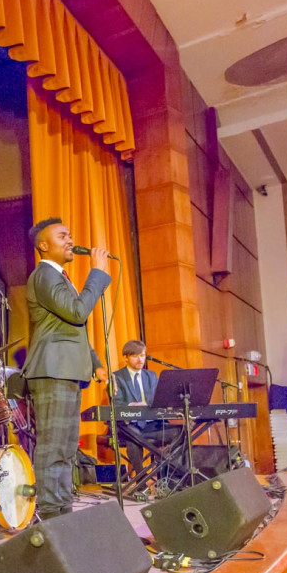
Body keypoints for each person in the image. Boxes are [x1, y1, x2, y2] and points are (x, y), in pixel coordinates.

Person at [22, 217, 110, 519]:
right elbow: (76, 313)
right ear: (43, 246)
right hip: (53, 370)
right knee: (53, 446)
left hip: (67, 370)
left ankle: (63, 511)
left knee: (67, 447)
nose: (70, 240)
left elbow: (70, 327)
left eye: (70, 234)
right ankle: (50, 514)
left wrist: (95, 363)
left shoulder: (60, 277)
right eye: (62, 236)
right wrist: (97, 274)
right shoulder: (45, 275)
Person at [111, 339, 180, 482]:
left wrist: (148, 404)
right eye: (135, 356)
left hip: (152, 424)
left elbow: (160, 399)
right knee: (133, 437)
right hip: (129, 425)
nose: (140, 359)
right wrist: (135, 405)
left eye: (142, 355)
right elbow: (117, 404)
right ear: (126, 357)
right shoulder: (117, 377)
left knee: (180, 432)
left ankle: (166, 476)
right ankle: (141, 480)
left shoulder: (152, 376)